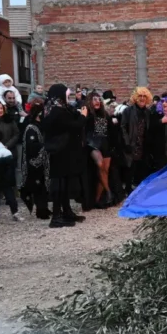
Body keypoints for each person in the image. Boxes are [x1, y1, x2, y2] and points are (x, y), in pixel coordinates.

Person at [43, 84, 88, 228]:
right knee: (60, 184)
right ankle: (56, 216)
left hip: (66, 151)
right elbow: (74, 125)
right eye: (66, 94)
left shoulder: (61, 108)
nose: (68, 97)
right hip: (59, 152)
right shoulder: (56, 111)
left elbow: (72, 115)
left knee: (66, 183)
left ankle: (66, 212)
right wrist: (83, 116)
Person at [85, 92, 123, 208]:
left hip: (105, 145)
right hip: (92, 145)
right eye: (94, 99)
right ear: (90, 101)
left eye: (98, 99)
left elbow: (111, 132)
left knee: (104, 171)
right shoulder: (87, 114)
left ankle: (97, 200)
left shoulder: (104, 114)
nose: (97, 101)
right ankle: (108, 192)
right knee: (101, 165)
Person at [20, 103, 51, 219]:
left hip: (43, 162)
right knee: (38, 186)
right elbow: (32, 146)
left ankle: (44, 207)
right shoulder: (31, 128)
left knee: (43, 185)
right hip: (35, 162)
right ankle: (40, 210)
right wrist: (46, 145)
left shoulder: (41, 126)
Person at [120, 87, 153, 193]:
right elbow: (123, 127)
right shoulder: (128, 111)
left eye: (144, 96)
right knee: (130, 167)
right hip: (131, 143)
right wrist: (127, 142)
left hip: (143, 143)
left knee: (141, 167)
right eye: (140, 96)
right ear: (135, 98)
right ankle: (128, 188)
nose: (142, 98)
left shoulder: (148, 112)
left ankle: (139, 189)